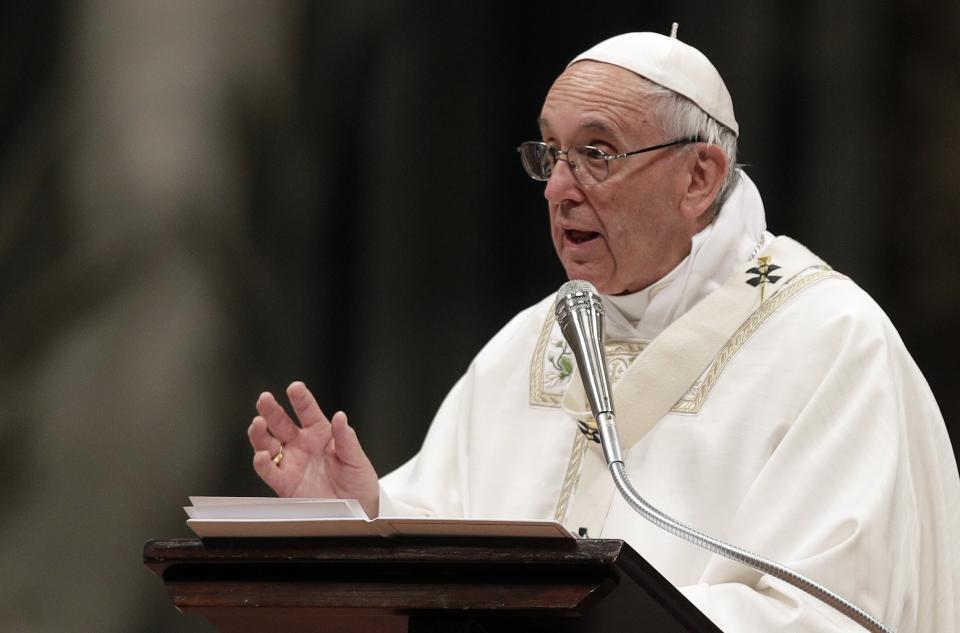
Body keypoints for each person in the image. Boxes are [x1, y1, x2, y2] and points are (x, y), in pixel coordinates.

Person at [246, 31, 960, 632]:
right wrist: (365, 515)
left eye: (597, 153)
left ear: (699, 176)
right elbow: (453, 548)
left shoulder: (828, 342)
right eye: (551, 154)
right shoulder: (528, 345)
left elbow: (830, 610)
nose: (560, 188)